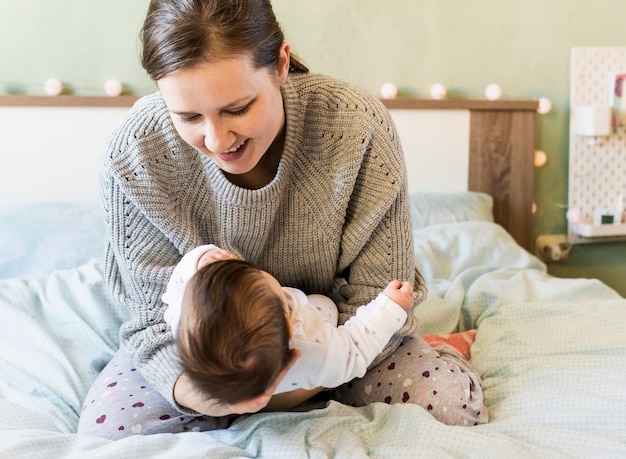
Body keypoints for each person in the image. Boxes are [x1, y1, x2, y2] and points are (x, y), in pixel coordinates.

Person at [78, 0, 487, 440]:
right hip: (205, 366)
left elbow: (375, 292)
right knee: (112, 433)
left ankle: (444, 350)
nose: (217, 139)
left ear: (281, 64)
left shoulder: (356, 128)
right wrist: (210, 393)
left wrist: (288, 384)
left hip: (335, 343)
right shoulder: (135, 155)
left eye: (237, 108)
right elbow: (149, 320)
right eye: (189, 117)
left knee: (451, 406)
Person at [162, 244, 415, 416]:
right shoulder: (314, 346)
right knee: (325, 304)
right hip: (323, 325)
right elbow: (355, 349)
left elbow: (174, 289)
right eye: (257, 274)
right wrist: (391, 308)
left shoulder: (184, 320)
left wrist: (200, 260)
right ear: (289, 321)